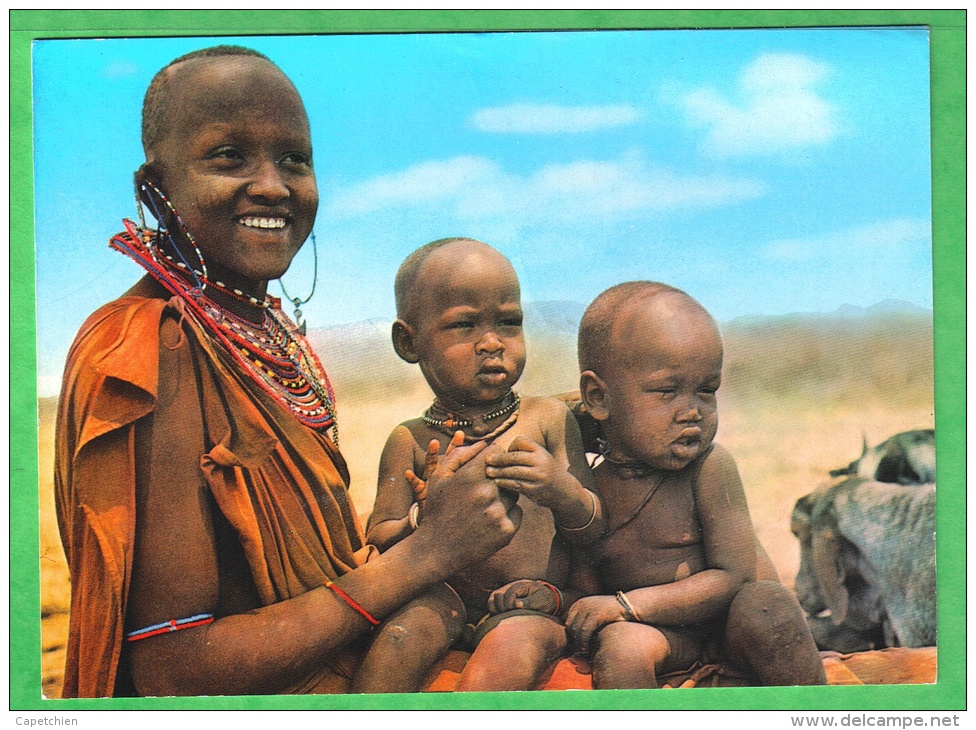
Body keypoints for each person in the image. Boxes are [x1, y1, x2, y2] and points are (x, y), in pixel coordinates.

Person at [54, 46, 523, 698]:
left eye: (295, 161)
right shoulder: (150, 348)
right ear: (155, 190)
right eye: (229, 157)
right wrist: (427, 553)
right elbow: (168, 670)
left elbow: (316, 571)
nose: (273, 185)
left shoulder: (261, 327)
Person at [356, 238, 603, 692]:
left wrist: (558, 489)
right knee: (397, 642)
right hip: (441, 597)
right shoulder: (410, 439)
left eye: (509, 323)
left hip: (531, 603)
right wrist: (423, 517)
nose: (492, 343)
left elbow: (593, 527)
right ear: (408, 342)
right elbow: (378, 537)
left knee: (505, 661)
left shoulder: (545, 418)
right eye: (464, 325)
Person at [565, 281, 826, 689]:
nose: (692, 412)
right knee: (623, 647)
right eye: (667, 391)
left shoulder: (709, 467)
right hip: (663, 636)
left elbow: (734, 576)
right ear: (598, 399)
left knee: (768, 604)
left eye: (707, 391)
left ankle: (812, 709)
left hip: (731, 629)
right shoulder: (587, 487)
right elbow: (585, 584)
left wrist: (628, 604)